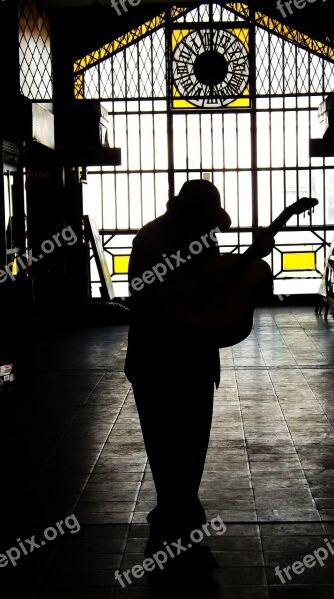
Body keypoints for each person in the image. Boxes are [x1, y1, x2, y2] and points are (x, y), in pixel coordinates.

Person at [124, 179, 232, 571]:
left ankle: (174, 530)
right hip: (161, 362)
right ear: (191, 214)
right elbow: (148, 291)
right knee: (175, 454)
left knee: (181, 454)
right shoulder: (154, 240)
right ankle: (180, 534)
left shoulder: (189, 235)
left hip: (185, 361)